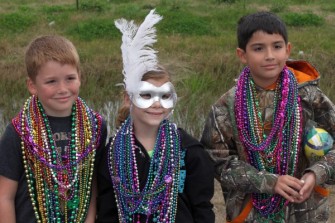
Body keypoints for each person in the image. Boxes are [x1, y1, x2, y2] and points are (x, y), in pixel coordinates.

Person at [201, 11, 335, 223]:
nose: (270, 55)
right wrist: (269, 182)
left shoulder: (310, 96)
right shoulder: (226, 105)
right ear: (242, 54)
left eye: (277, 46)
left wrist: (315, 174)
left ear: (288, 49)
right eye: (258, 48)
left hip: (305, 210)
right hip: (250, 213)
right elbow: (216, 160)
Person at [96, 9, 215, 223]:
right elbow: (107, 211)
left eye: (165, 95)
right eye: (146, 94)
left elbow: (202, 208)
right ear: (127, 97)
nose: (157, 104)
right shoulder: (112, 154)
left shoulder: (189, 151)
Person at [0, 35, 107, 223]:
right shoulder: (18, 131)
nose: (63, 88)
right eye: (51, 82)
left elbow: (91, 185)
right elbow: (4, 196)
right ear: (32, 85)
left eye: (70, 78)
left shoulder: (96, 126)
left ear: (80, 78)